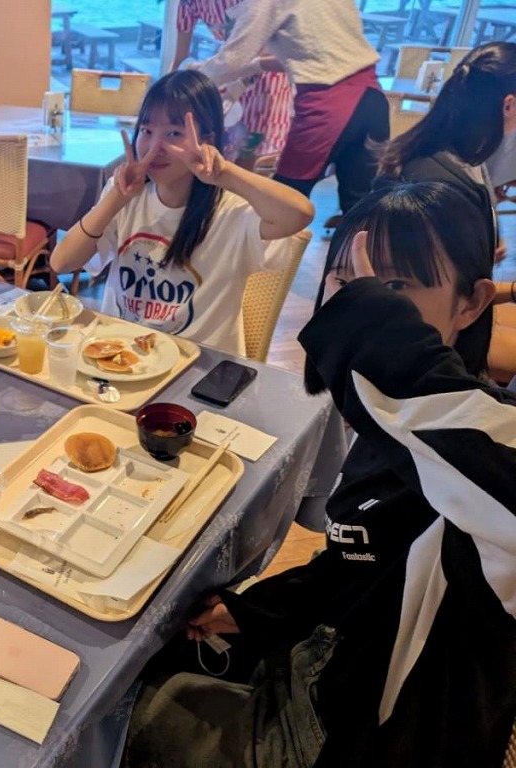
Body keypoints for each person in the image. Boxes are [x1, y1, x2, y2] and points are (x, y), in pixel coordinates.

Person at [124, 181, 516, 767]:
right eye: (344, 280)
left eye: (394, 287)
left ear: (471, 303)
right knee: (150, 653)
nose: (358, 302)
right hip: (323, 657)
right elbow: (354, 564)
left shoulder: (473, 465)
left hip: (362, 738)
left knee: (129, 716)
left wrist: (378, 339)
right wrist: (256, 612)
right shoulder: (389, 432)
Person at [49, 70, 313, 357]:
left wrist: (225, 173)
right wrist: (116, 198)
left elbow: (300, 214)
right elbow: (62, 262)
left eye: (174, 133)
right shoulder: (126, 197)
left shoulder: (234, 209)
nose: (155, 147)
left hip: (199, 367)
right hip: (124, 359)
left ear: (208, 140)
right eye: (147, 131)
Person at [376, 42, 516, 381]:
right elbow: (432, 307)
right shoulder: (442, 186)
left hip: (433, 333)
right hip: (427, 355)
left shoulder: (452, 158)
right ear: (509, 105)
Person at [196, 0, 389, 220]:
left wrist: (186, 81)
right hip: (373, 97)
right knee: (359, 207)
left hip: (331, 105)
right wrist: (255, 66)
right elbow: (322, 53)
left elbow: (232, 59)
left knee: (282, 202)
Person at [172, 0, 293, 170]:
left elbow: (278, 49)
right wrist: (166, 98)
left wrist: (226, 72)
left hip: (265, 80)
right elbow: (180, 58)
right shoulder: (189, 3)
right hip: (223, 75)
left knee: (254, 160)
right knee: (219, 157)